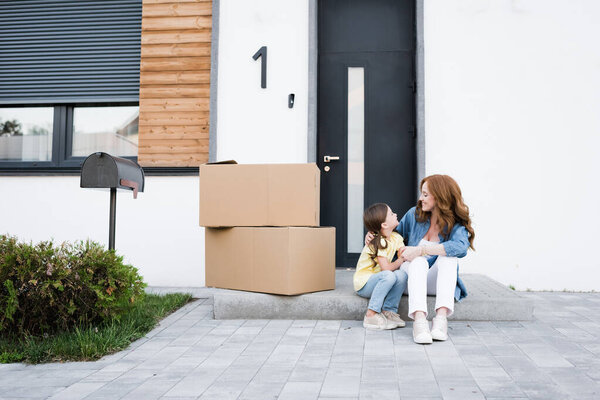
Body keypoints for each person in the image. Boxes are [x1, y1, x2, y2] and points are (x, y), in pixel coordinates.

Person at [366, 175, 475, 343]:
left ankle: (440, 320)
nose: (420, 198)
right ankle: (420, 321)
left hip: (435, 283)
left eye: (425, 195)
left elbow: (461, 247)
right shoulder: (414, 215)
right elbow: (391, 236)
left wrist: (421, 249)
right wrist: (374, 235)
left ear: (439, 197)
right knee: (418, 262)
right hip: (410, 278)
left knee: (449, 259)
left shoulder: (455, 223)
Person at [354, 203, 408, 330]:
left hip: (381, 281)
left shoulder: (396, 238)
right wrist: (401, 259)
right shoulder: (378, 241)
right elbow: (386, 268)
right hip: (365, 284)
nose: (395, 214)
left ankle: (389, 311)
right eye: (391, 213)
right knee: (389, 274)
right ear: (384, 225)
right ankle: (371, 314)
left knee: (401, 275)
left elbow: (403, 253)